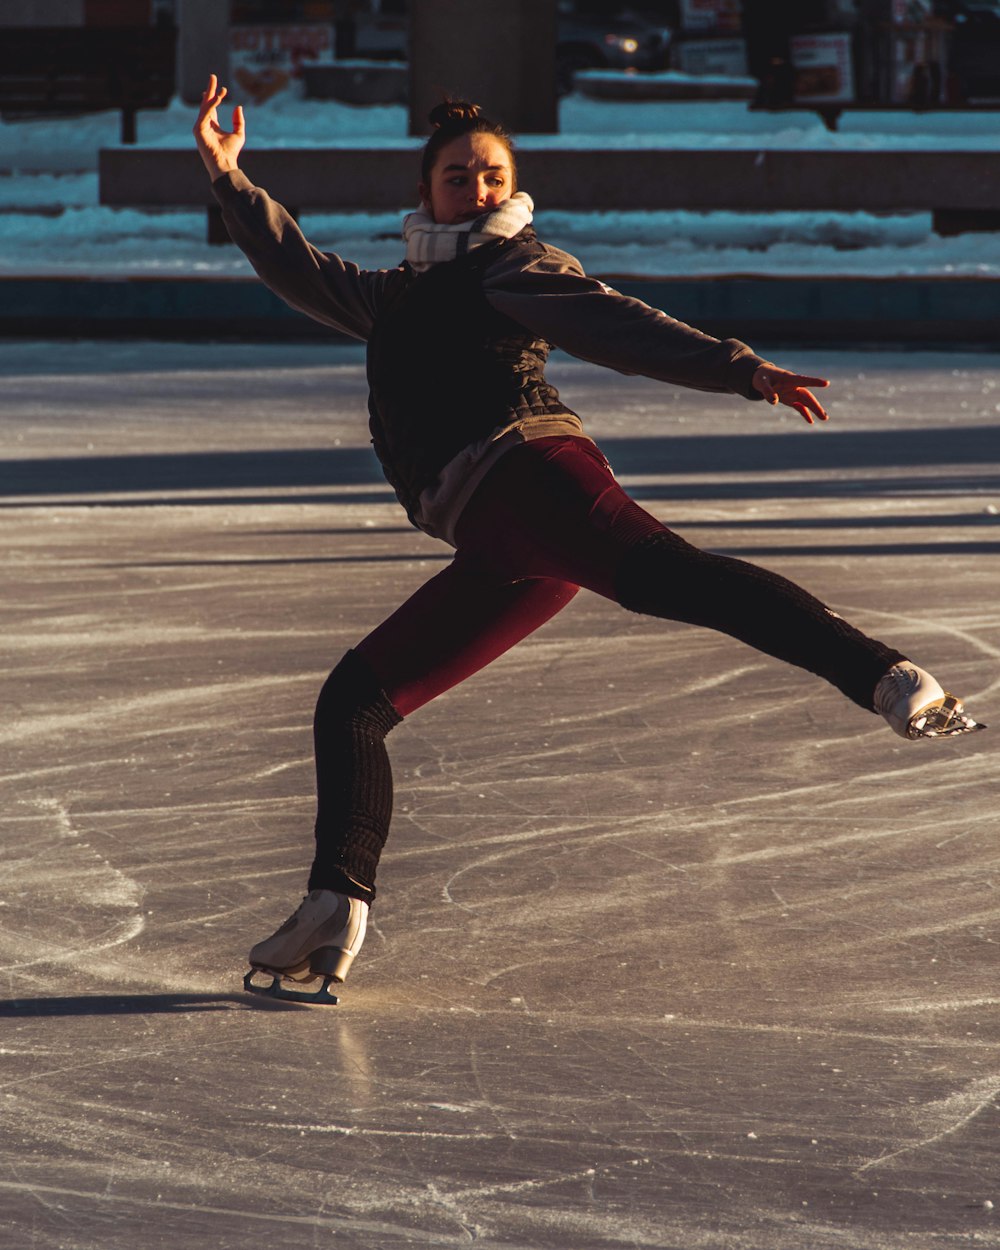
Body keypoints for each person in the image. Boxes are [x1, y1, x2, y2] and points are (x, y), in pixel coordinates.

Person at [193, 75, 985, 1002]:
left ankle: (887, 676)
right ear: (426, 194)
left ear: (512, 189)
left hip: (531, 479)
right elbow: (297, 265)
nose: (477, 191)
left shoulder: (511, 267)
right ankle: (335, 903)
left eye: (492, 176)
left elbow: (615, 324)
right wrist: (227, 176)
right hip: (499, 543)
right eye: (458, 177)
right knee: (355, 703)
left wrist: (743, 371)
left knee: (676, 580)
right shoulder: (393, 296)